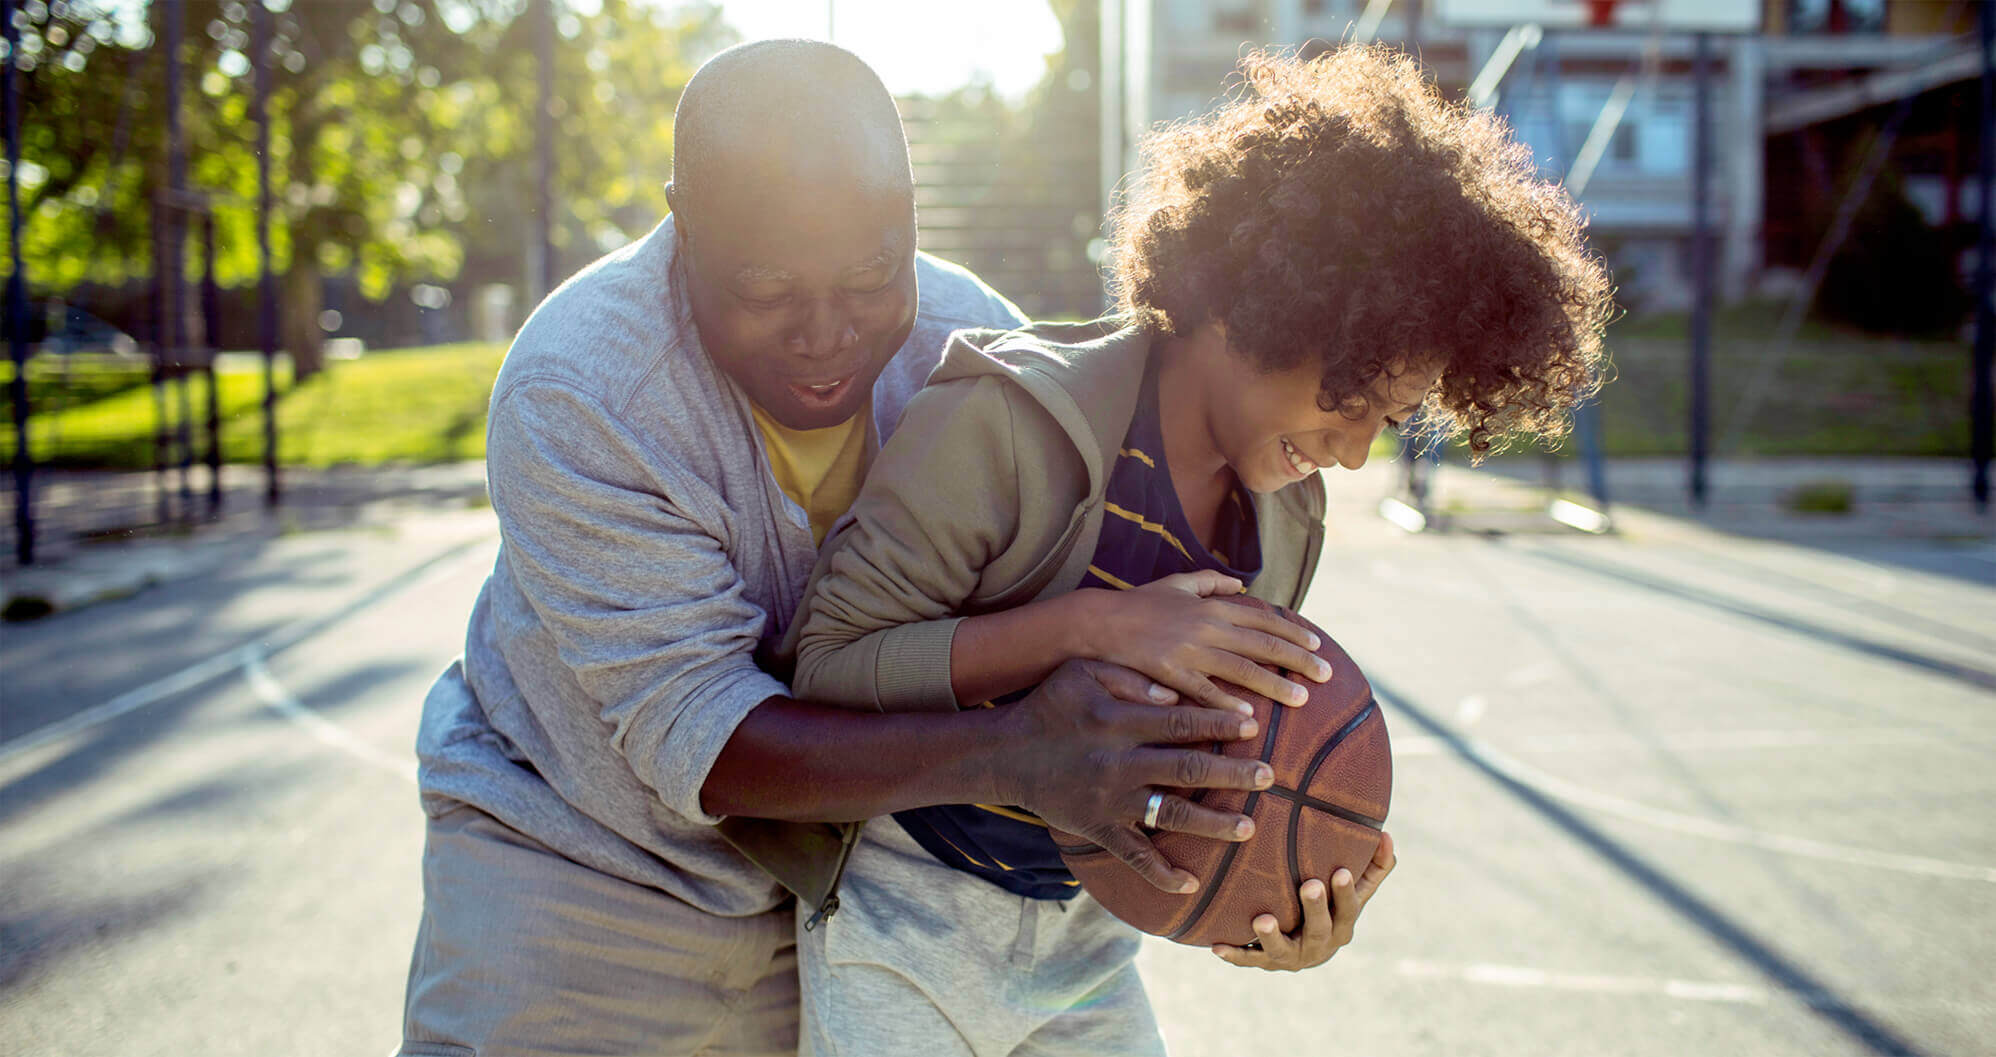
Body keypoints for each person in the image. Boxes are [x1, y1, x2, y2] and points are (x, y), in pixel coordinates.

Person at [396, 40, 1308, 1057]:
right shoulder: (581, 389)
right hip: (582, 871)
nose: (826, 332)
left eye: (872, 275)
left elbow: (1099, 669)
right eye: (767, 289)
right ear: (684, 227)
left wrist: (1264, 868)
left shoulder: (982, 354)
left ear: (912, 217)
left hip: (843, 895)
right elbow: (713, 737)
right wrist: (1024, 755)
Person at [788, 43, 1615, 1057]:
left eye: (1390, 421)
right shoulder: (1003, 422)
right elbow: (826, 667)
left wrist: (1271, 894)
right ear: (1253, 309)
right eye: (1350, 398)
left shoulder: (1284, 520)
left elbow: (1205, 778)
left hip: (1087, 941)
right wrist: (1094, 625)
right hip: (910, 913)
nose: (1356, 452)